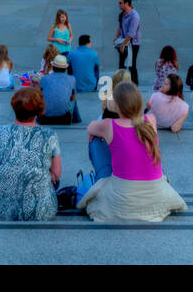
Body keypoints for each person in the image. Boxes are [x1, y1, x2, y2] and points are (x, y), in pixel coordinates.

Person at [80, 81, 187, 222]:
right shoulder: (151, 120)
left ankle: (102, 174)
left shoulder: (108, 125)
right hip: (154, 196)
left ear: (116, 104)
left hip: (123, 199)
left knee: (95, 140)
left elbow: (90, 128)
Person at [0, 87, 61, 221]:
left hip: (2, 210)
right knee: (49, 176)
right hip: (40, 212)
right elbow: (57, 173)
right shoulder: (49, 135)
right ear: (39, 110)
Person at [37, 55, 79, 125]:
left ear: (53, 67)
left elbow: (40, 96)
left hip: (44, 119)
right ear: (65, 68)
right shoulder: (72, 79)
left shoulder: (44, 79)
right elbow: (72, 98)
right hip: (64, 120)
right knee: (73, 97)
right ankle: (76, 119)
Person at [115, 0, 141, 84]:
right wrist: (116, 38)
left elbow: (131, 34)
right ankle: (120, 84)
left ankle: (134, 85)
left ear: (127, 4)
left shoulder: (134, 16)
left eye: (120, 3)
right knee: (121, 65)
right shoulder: (122, 14)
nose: (119, 4)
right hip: (123, 42)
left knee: (132, 66)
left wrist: (122, 45)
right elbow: (120, 27)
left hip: (132, 45)